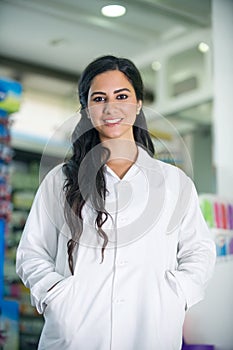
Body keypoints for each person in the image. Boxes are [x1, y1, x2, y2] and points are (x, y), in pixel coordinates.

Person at [16, 55, 216, 350]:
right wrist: (57, 295)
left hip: (150, 331)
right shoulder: (60, 181)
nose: (111, 108)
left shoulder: (174, 183)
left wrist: (177, 294)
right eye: (99, 98)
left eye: (122, 96)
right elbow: (32, 253)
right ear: (86, 109)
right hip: (77, 335)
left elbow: (199, 251)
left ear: (138, 104)